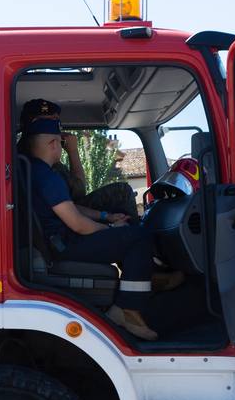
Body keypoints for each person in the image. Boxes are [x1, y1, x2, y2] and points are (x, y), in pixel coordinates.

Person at [22, 118, 159, 340]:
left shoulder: (35, 172)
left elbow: (70, 206)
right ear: (53, 144)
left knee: (129, 231)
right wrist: (111, 227)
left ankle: (141, 280)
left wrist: (107, 216)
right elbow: (77, 223)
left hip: (59, 241)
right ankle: (127, 311)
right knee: (139, 236)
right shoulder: (48, 177)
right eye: (60, 141)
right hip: (65, 244)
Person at [20, 99, 138, 220]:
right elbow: (79, 192)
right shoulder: (42, 161)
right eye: (53, 122)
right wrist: (73, 151)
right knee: (122, 191)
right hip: (66, 217)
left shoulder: (25, 154)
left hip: (65, 213)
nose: (58, 130)